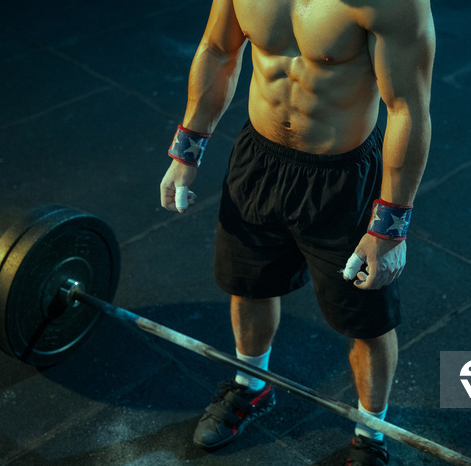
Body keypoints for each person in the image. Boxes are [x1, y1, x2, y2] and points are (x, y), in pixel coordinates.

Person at [160, 0, 435, 464]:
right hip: (258, 161)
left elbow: (407, 107)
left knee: (365, 321)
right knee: (249, 287)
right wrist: (186, 149)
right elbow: (217, 50)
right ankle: (251, 383)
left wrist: (389, 227)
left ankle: (371, 431)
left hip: (342, 182)